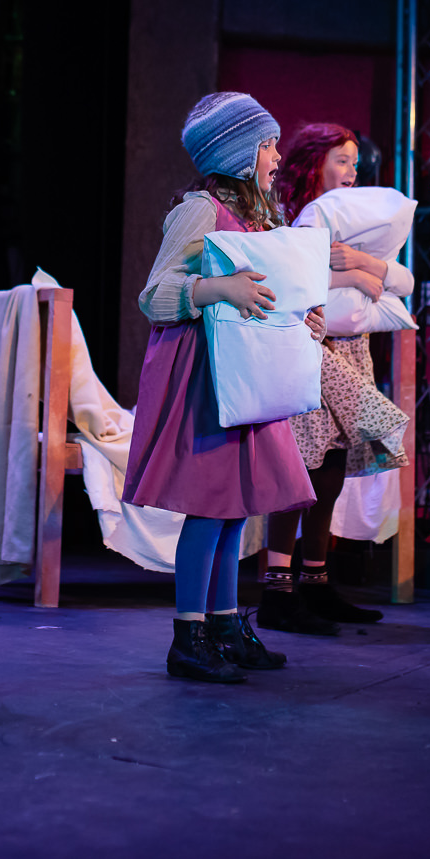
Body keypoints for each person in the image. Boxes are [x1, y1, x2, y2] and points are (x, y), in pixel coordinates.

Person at [128, 92, 319, 683]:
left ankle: (225, 624)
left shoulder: (263, 219)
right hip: (207, 377)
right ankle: (188, 637)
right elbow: (155, 296)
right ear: (237, 153)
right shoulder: (200, 211)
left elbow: (267, 294)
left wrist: (301, 317)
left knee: (236, 509)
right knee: (210, 507)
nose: (277, 156)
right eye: (267, 145)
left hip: (247, 373)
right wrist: (218, 289)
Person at [259, 123, 413, 635]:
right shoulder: (288, 217)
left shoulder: (356, 226)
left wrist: (363, 262)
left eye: (354, 163)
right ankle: (277, 590)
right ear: (314, 163)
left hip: (350, 350)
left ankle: (316, 581)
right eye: (341, 161)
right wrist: (353, 276)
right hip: (309, 348)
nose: (351, 172)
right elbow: (285, 279)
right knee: (301, 465)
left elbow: (404, 280)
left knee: (330, 467)